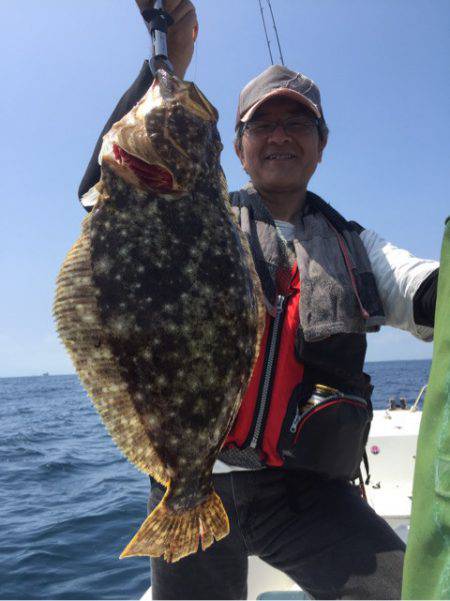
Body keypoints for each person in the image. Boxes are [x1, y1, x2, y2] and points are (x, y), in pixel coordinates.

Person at [78, 2, 439, 598]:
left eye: (297, 124)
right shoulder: (190, 210)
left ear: (321, 146)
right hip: (193, 478)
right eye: (261, 125)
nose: (279, 136)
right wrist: (168, 57)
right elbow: (102, 187)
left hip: (307, 493)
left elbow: (420, 287)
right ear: (239, 148)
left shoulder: (356, 247)